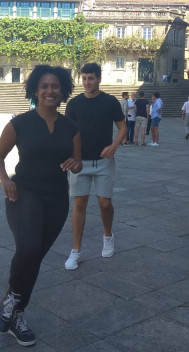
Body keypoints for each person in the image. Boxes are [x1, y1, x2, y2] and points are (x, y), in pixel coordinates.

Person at [0, 65, 81, 347]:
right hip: (24, 193)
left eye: (55, 86)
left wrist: (74, 164)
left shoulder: (70, 127)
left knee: (35, 258)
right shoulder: (19, 123)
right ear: (35, 90)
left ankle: (16, 312)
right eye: (44, 86)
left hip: (56, 198)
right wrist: (5, 180)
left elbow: (77, 163)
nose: (50, 91)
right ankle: (14, 299)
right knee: (28, 249)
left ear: (63, 90)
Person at [64, 63, 126, 270]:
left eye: (91, 78)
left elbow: (122, 126)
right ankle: (76, 250)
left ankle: (108, 235)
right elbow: (67, 132)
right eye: (84, 78)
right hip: (80, 162)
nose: (87, 82)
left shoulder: (109, 102)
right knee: (79, 204)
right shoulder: (74, 104)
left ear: (99, 79)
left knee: (104, 203)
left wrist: (115, 145)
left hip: (103, 161)